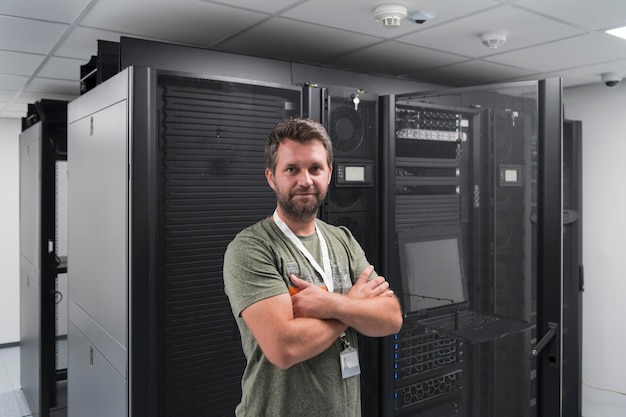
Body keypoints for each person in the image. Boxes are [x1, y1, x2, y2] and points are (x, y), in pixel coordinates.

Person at [223, 117, 403, 417]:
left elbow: (391, 317)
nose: (305, 180)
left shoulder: (342, 239)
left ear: (329, 173)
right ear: (271, 177)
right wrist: (353, 305)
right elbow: (284, 348)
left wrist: (329, 303)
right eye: (292, 169)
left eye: (315, 168)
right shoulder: (251, 248)